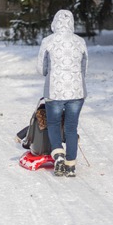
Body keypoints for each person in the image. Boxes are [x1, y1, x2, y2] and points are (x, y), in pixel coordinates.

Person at [37, 9, 88, 177]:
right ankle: (71, 165)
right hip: (76, 91)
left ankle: (58, 155)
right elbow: (84, 68)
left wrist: (49, 72)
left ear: (55, 22)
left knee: (53, 123)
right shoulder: (80, 41)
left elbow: (41, 68)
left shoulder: (48, 41)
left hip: (55, 90)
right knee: (71, 127)